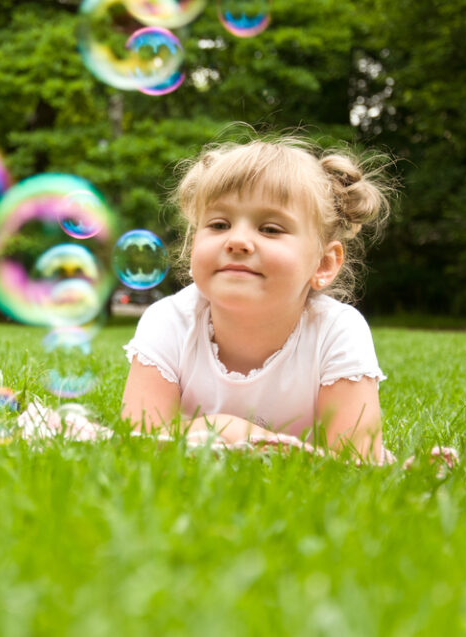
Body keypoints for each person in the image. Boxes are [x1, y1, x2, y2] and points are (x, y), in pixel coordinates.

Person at [120, 134, 395, 463]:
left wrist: (238, 436)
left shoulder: (337, 330)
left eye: (270, 229)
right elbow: (139, 441)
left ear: (323, 263)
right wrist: (227, 433)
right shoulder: (168, 321)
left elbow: (356, 460)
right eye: (219, 224)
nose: (237, 241)